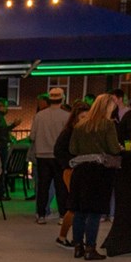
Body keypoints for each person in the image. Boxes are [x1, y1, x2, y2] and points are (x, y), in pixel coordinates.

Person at [68, 93, 121, 260]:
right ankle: (90, 248)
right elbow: (113, 148)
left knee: (80, 211)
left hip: (80, 171)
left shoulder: (80, 125)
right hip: (99, 172)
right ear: (107, 107)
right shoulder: (107, 125)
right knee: (94, 212)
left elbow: (72, 149)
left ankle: (78, 246)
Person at [28, 87, 70, 224]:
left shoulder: (39, 116)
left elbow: (32, 136)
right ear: (62, 99)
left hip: (42, 155)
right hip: (59, 156)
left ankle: (41, 215)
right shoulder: (66, 116)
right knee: (61, 187)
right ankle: (63, 215)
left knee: (43, 187)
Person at [52, 100, 90, 248]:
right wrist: (70, 163)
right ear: (75, 117)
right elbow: (58, 151)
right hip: (71, 171)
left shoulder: (79, 131)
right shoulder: (69, 132)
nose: (85, 120)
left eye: (87, 117)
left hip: (78, 170)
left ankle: (74, 238)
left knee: (78, 206)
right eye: (82, 117)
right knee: (75, 207)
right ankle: (64, 237)